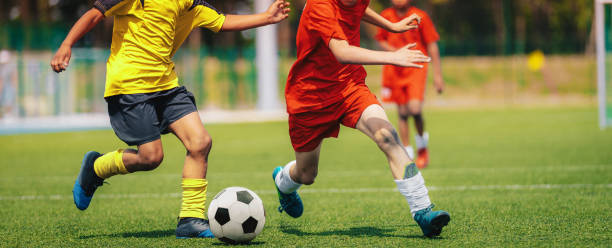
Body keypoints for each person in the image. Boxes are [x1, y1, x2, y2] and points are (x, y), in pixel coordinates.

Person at [50, 0, 290, 239]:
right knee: (151, 157)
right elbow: (95, 14)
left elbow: (221, 21)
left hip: (167, 86)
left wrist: (266, 17)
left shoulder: (189, 3)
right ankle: (97, 167)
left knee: (200, 142)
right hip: (130, 87)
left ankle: (190, 219)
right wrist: (67, 44)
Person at [271, 0, 450, 238]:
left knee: (387, 136)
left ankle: (423, 211)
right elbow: (342, 52)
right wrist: (393, 57)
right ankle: (284, 181)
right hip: (310, 98)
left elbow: (358, 8)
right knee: (306, 174)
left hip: (349, 87)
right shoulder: (319, 5)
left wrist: (392, 26)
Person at [374, 0, 444, 168]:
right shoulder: (386, 16)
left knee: (415, 109)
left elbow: (432, 44)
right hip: (395, 69)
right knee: (403, 113)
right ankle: (408, 153)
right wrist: (394, 53)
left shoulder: (420, 16)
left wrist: (438, 75)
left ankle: (422, 148)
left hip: (416, 67)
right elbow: (381, 40)